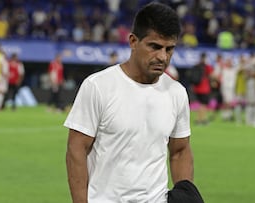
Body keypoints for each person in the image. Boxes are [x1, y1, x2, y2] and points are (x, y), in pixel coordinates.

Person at [64, 3, 200, 203]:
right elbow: (76, 150)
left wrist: (185, 194)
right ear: (133, 41)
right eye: (154, 47)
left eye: (169, 49)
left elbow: (180, 151)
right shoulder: (98, 86)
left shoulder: (176, 92)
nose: (162, 56)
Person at [191, 52, 214, 125]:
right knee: (203, 104)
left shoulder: (196, 66)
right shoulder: (206, 66)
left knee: (200, 104)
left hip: (197, 88)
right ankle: (202, 119)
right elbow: (211, 75)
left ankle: (199, 119)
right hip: (204, 88)